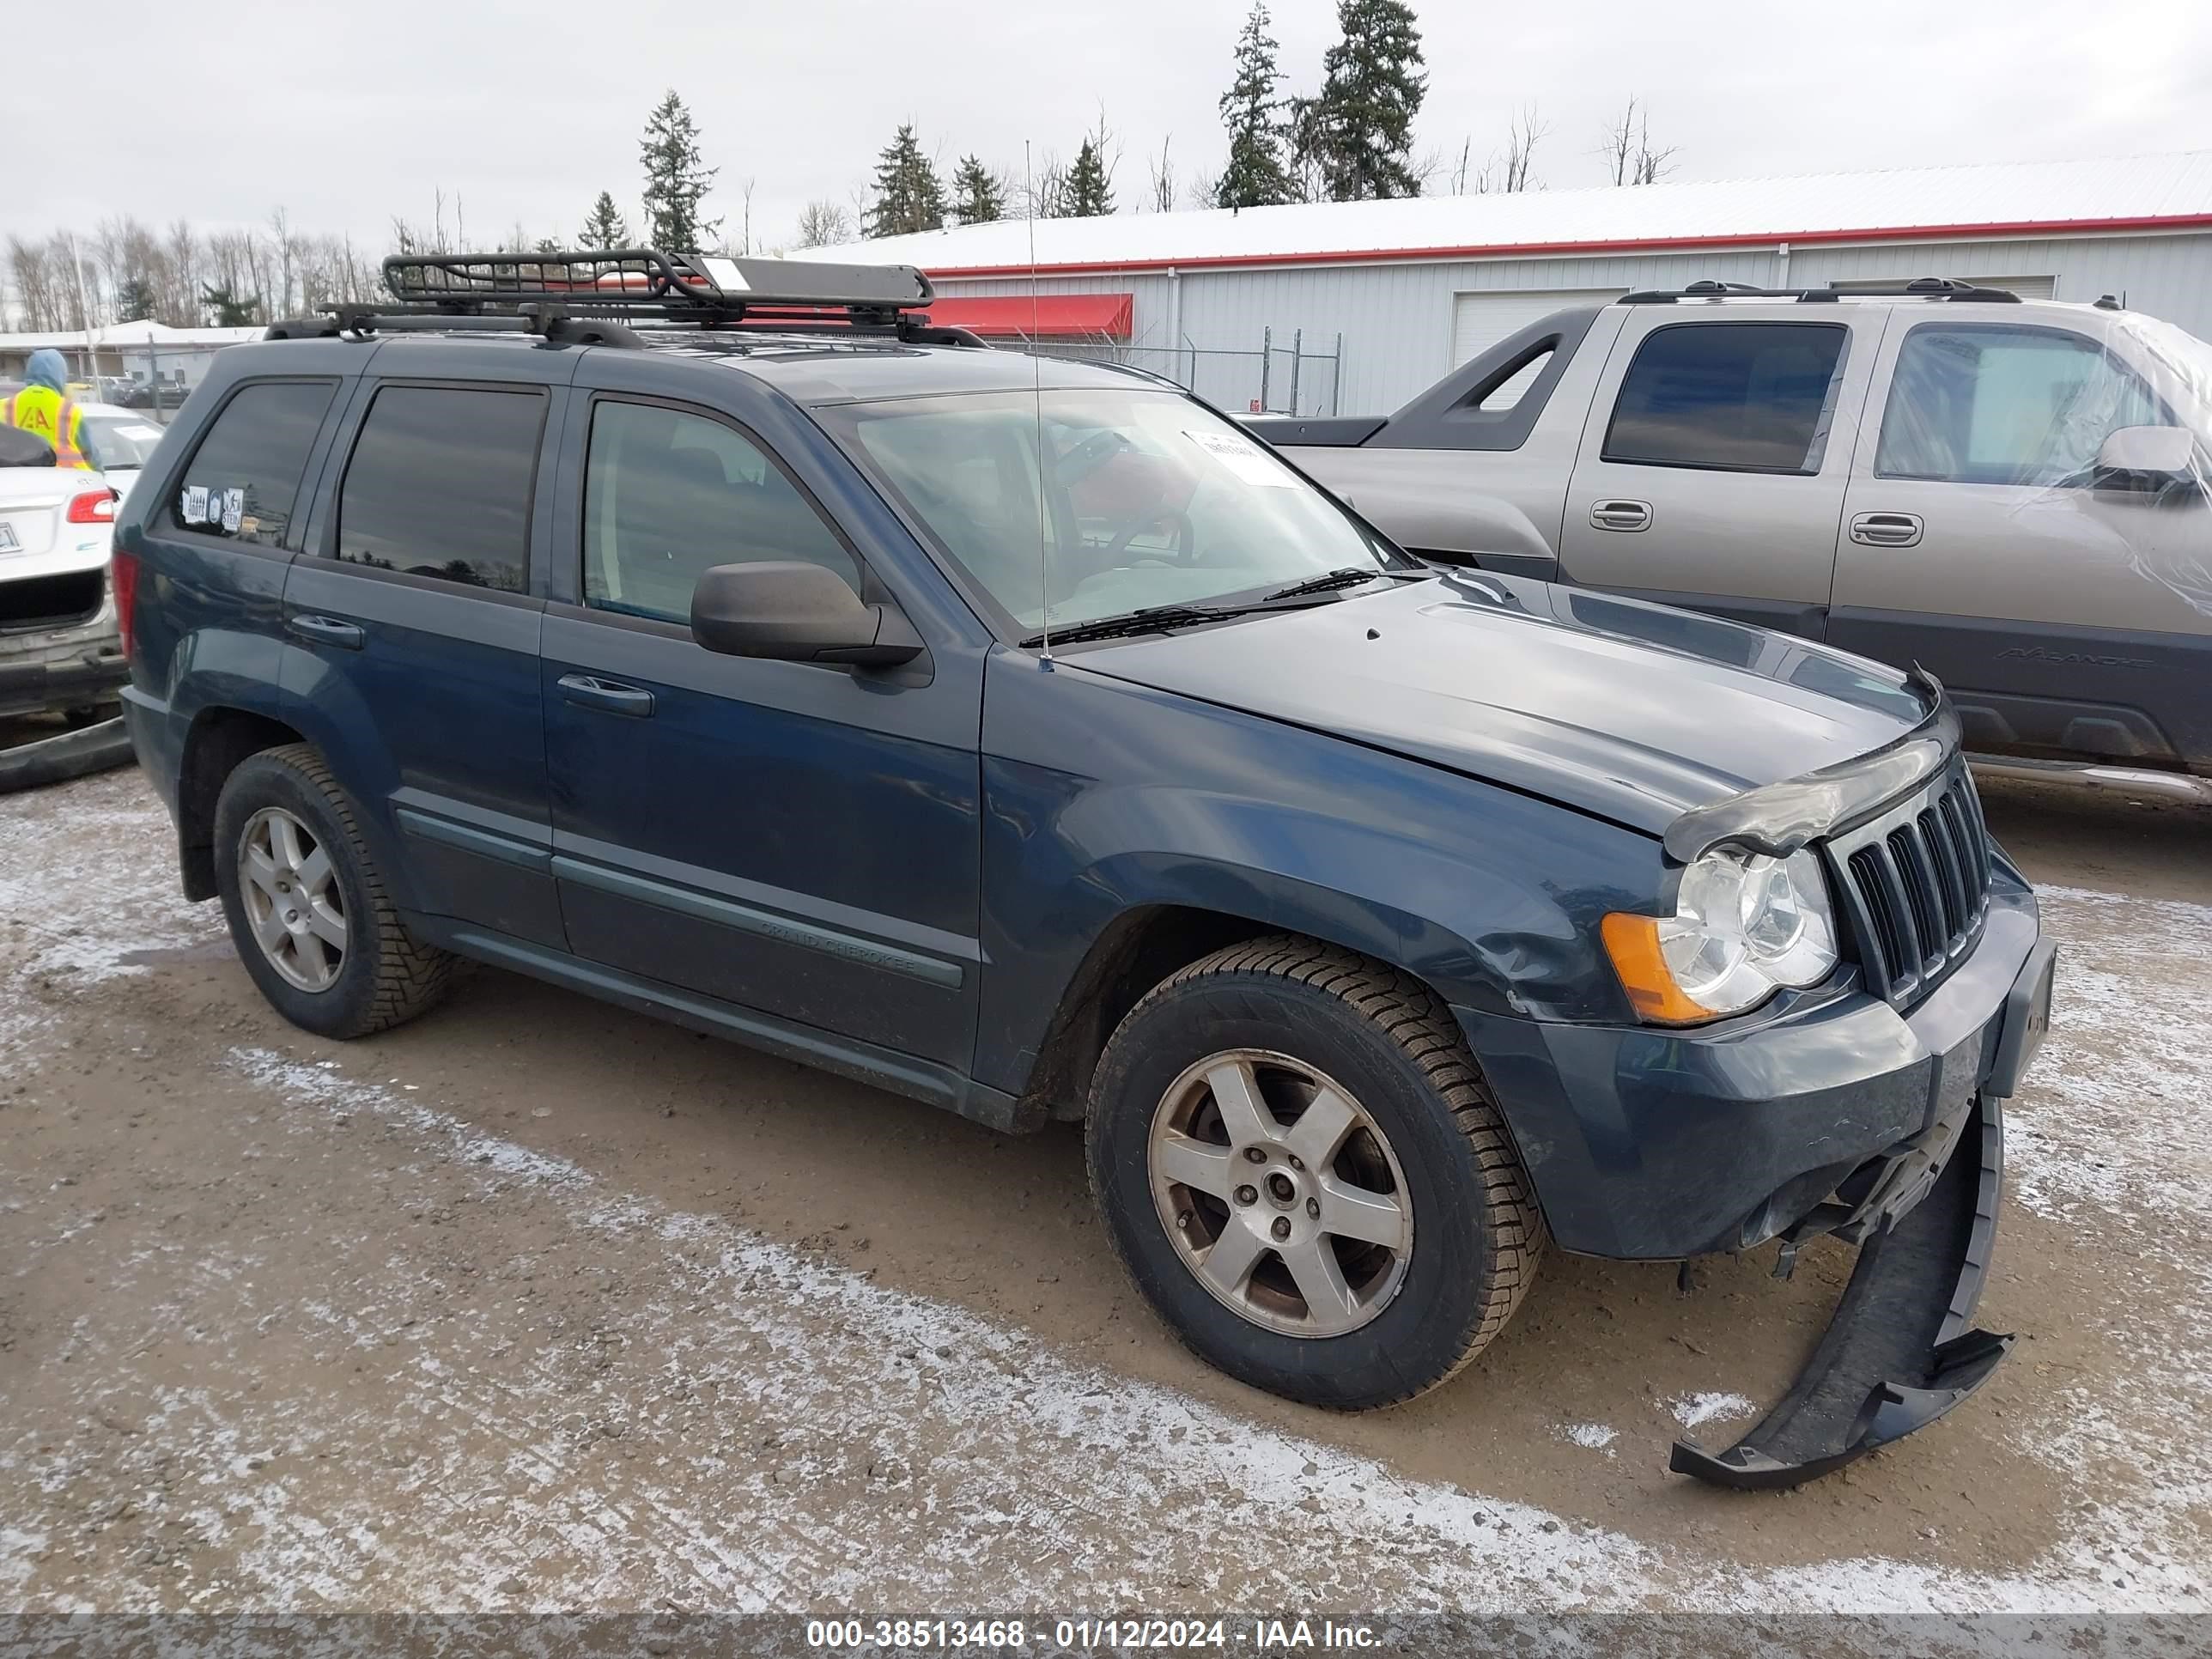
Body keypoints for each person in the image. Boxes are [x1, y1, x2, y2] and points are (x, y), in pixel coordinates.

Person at [0, 349, 92, 467]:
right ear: (60, 375)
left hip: (17, 481)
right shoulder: (69, 410)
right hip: (67, 480)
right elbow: (91, 455)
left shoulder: (4, 407)